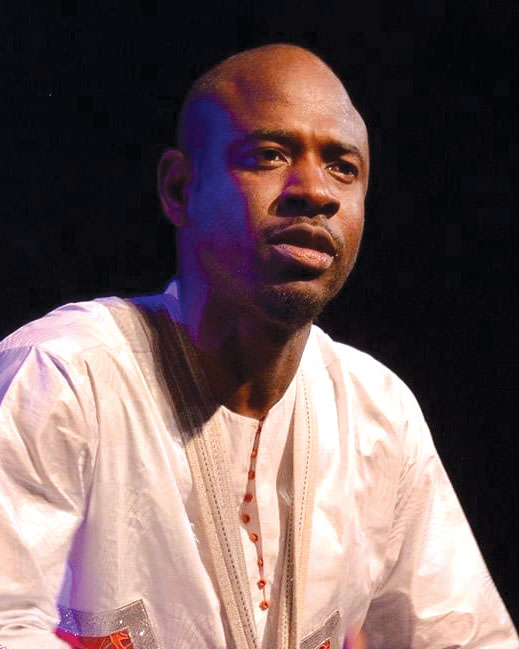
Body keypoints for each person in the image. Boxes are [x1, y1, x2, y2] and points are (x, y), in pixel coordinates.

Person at [0, 44, 516, 649]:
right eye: (270, 155)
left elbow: (464, 637)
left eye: (343, 168)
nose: (316, 191)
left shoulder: (377, 413)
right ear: (179, 189)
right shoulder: (63, 377)